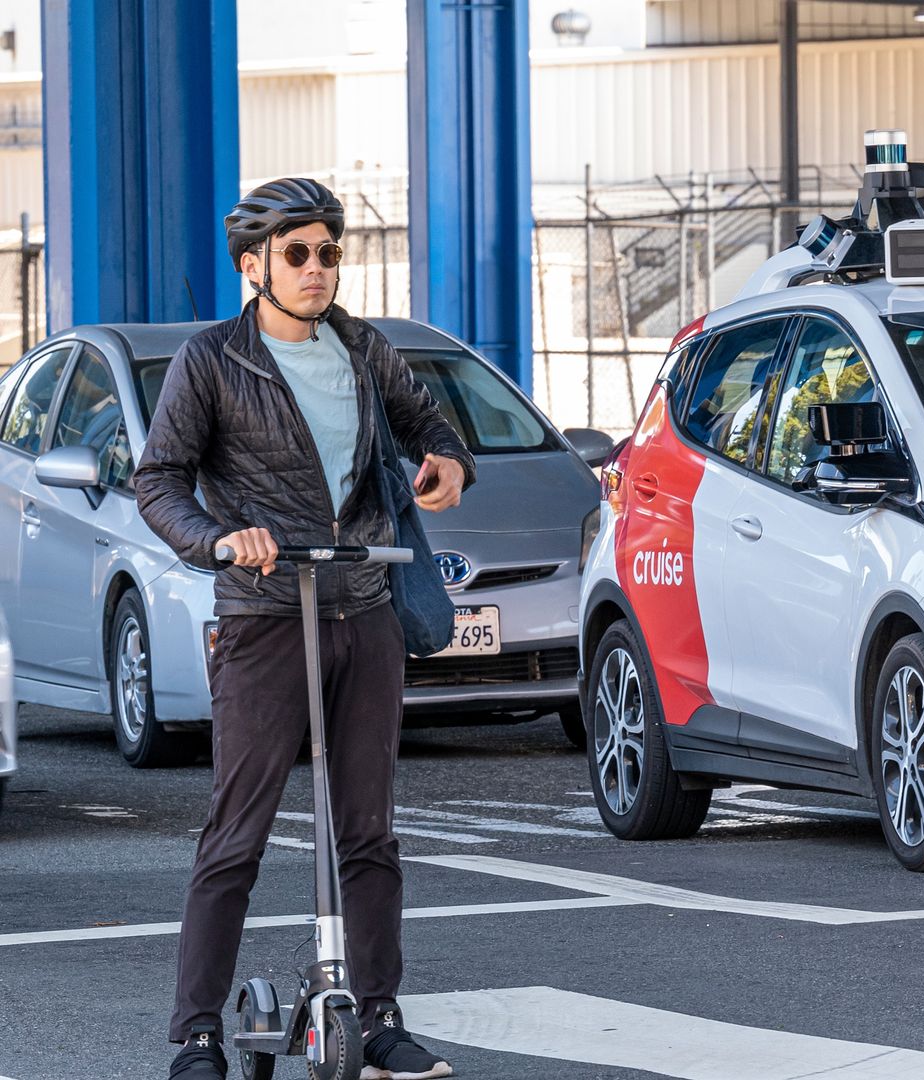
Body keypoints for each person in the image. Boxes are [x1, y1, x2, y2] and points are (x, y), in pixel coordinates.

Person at [134, 178, 476, 1080]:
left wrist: (447, 464)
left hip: (362, 605)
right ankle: (197, 1034)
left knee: (368, 829)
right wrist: (218, 539)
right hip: (263, 614)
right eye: (298, 253)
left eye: (329, 251)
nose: (318, 268)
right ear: (254, 266)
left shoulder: (362, 348)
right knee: (235, 831)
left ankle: (380, 1020)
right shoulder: (211, 361)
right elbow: (158, 480)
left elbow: (428, 424)